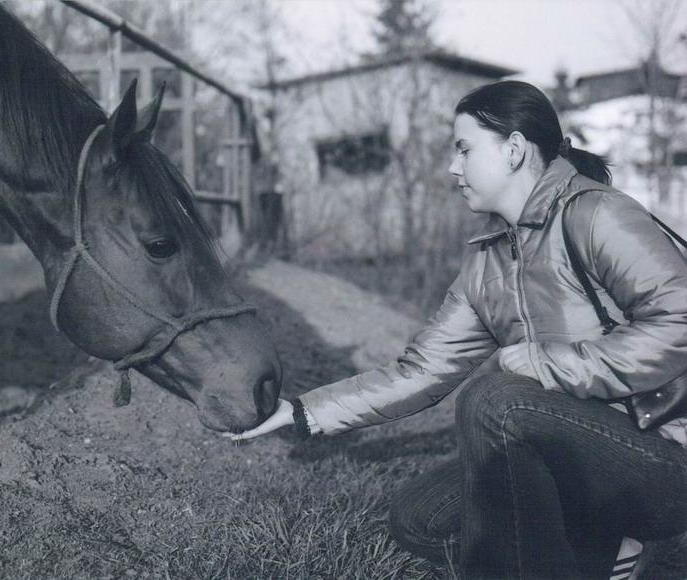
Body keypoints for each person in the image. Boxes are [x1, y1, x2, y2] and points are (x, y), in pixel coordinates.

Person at [227, 80, 687, 579]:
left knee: (496, 399)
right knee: (420, 520)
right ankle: (607, 549)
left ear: (513, 150)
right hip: (578, 450)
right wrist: (300, 411)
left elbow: (680, 320)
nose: (453, 167)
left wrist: (547, 363)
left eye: (465, 149)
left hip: (662, 457)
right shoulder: (487, 262)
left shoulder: (597, 214)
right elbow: (421, 371)